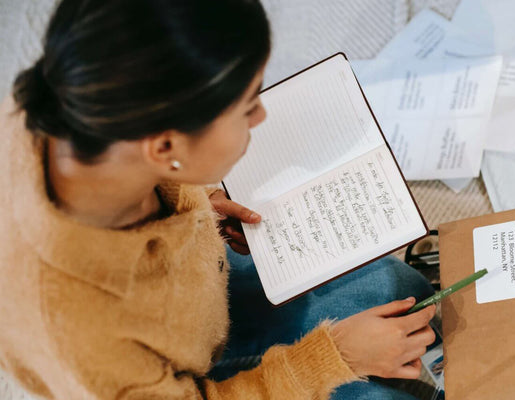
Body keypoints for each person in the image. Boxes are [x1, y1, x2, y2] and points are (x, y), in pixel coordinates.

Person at [0, 0, 437, 399]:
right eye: (246, 108)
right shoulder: (82, 335)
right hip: (176, 369)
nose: (262, 115)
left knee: (404, 292)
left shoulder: (76, 103)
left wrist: (199, 206)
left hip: (194, 299)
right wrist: (334, 357)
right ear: (166, 148)